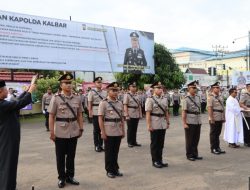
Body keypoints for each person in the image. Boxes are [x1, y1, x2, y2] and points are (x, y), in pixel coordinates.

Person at [48, 73, 84, 188]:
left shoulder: (77, 97)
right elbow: (51, 116)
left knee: (71, 156)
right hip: (60, 132)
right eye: (66, 83)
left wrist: (81, 127)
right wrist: (52, 132)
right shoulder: (56, 98)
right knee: (60, 157)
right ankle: (61, 178)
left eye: (70, 83)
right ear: (61, 85)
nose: (69, 85)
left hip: (73, 130)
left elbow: (79, 115)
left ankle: (70, 176)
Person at [0, 80, 36, 190]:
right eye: (6, 89)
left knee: (6, 164)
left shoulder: (4, 103)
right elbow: (19, 104)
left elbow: (16, 103)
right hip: (7, 139)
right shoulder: (2, 104)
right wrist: (30, 92)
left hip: (7, 138)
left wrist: (26, 91)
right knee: (8, 165)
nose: (7, 91)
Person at [98, 82, 125, 178]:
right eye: (113, 90)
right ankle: (109, 170)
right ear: (108, 91)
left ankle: (115, 169)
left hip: (118, 129)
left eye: (116, 90)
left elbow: (122, 118)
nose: (115, 92)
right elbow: (100, 118)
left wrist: (123, 130)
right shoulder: (103, 103)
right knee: (109, 152)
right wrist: (102, 132)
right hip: (108, 130)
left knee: (115, 151)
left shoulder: (119, 103)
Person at [145, 81, 170, 168]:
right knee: (155, 143)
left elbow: (166, 111)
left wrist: (167, 121)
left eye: (161, 88)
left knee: (161, 144)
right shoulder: (150, 99)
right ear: (153, 89)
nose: (160, 89)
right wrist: (149, 125)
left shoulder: (165, 99)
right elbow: (148, 113)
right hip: (154, 123)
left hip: (162, 123)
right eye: (158, 88)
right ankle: (155, 161)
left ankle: (160, 160)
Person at [182, 80, 203, 161]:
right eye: (193, 88)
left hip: (198, 120)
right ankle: (189, 154)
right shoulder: (185, 99)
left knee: (196, 139)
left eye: (195, 88)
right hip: (190, 121)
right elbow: (184, 112)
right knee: (189, 139)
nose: (195, 89)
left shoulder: (198, 97)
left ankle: (195, 154)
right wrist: (184, 123)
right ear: (188, 89)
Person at [88, 77, 107, 152]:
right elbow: (89, 103)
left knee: (103, 129)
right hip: (95, 111)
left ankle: (101, 145)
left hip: (104, 113)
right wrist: (90, 112)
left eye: (100, 82)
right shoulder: (91, 92)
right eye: (98, 82)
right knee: (96, 130)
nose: (100, 84)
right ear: (95, 83)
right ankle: (97, 145)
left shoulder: (105, 92)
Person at [207, 82, 226, 155]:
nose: (219, 89)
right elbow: (209, 108)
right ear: (212, 89)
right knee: (213, 134)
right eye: (217, 87)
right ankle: (213, 148)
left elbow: (222, 108)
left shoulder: (220, 97)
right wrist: (211, 118)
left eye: (219, 87)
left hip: (220, 117)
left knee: (218, 133)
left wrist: (223, 117)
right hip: (214, 117)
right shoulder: (210, 97)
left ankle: (218, 147)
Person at [123, 82, 142, 148]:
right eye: (132, 86)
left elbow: (139, 105)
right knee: (130, 129)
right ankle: (130, 142)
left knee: (135, 128)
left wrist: (140, 114)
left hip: (136, 113)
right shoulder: (127, 95)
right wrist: (126, 115)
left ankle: (134, 141)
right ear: (129, 87)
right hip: (130, 113)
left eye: (135, 87)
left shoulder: (137, 95)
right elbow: (125, 105)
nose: (134, 88)